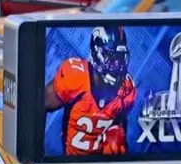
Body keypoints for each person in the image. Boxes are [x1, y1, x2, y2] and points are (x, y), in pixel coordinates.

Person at [45, 25, 137, 156]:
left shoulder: (126, 89)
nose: (117, 65)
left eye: (120, 58)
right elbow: (39, 105)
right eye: (111, 57)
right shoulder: (76, 76)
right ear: (96, 52)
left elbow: (120, 123)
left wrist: (118, 140)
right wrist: (35, 155)